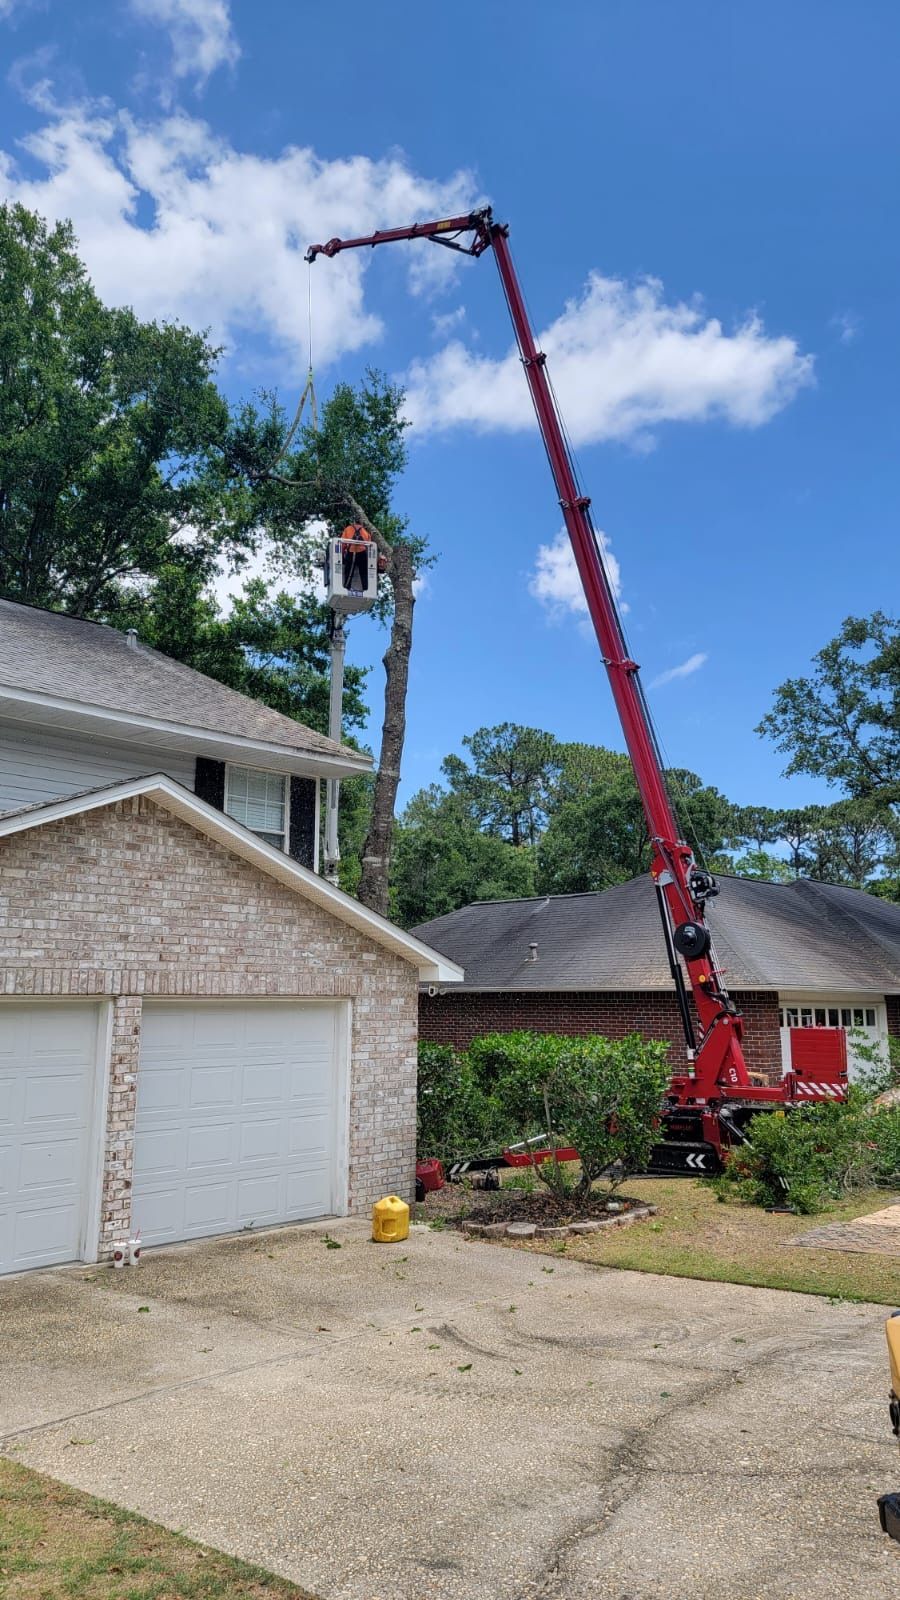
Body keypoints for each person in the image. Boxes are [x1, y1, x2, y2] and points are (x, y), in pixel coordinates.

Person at [340, 523, 371, 592]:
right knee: (363, 573)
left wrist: (341, 556)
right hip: (362, 553)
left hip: (351, 552)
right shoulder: (365, 531)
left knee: (349, 571)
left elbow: (343, 544)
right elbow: (369, 545)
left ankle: (347, 587)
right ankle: (366, 589)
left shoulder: (348, 529)